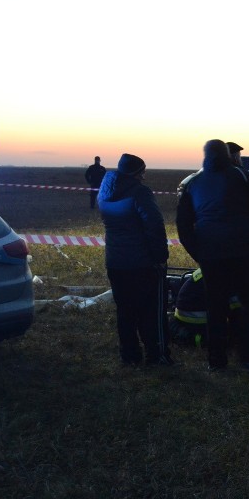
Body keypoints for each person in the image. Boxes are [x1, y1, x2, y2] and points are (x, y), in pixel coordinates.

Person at [176, 139, 249, 374]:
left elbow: (183, 226)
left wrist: (199, 254)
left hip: (212, 257)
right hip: (244, 254)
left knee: (216, 309)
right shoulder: (242, 177)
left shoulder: (193, 183)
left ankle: (216, 360)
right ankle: (248, 356)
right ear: (227, 155)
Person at [97, 153, 173, 366]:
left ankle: (130, 356)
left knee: (126, 312)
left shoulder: (105, 193)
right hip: (142, 263)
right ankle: (157, 355)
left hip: (115, 262)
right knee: (152, 311)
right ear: (137, 173)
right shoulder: (140, 193)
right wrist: (160, 257)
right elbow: (154, 225)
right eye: (143, 171)